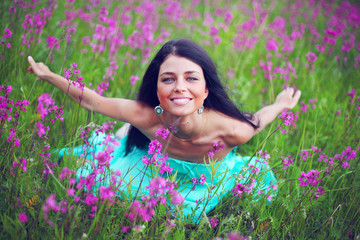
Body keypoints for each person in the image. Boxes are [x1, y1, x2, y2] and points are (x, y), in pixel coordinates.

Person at [27, 38, 301, 223]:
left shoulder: (231, 131)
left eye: (191, 78)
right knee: (111, 178)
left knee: (186, 214)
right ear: (157, 89)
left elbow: (257, 121)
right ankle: (125, 132)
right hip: (156, 164)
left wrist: (280, 104)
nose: (180, 87)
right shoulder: (146, 116)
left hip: (205, 177)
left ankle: (125, 131)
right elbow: (92, 101)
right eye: (168, 79)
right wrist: (49, 75)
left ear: (205, 91)